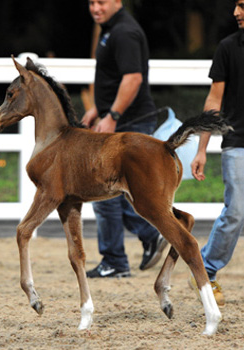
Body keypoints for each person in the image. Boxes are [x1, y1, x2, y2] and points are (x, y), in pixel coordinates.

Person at [81, 0, 166, 278]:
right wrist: (98, 110)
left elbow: (132, 79)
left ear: (117, 2)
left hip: (130, 123)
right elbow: (114, 79)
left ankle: (121, 256)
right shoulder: (109, 30)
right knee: (113, 192)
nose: (95, 8)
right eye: (92, 2)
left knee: (104, 191)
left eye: (102, 2)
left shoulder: (124, 32)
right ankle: (139, 242)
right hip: (121, 120)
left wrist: (112, 115)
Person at [188, 0, 244, 307]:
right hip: (238, 142)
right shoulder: (228, 47)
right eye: (236, 5)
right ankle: (206, 270)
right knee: (237, 211)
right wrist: (202, 149)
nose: (236, 13)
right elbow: (214, 100)